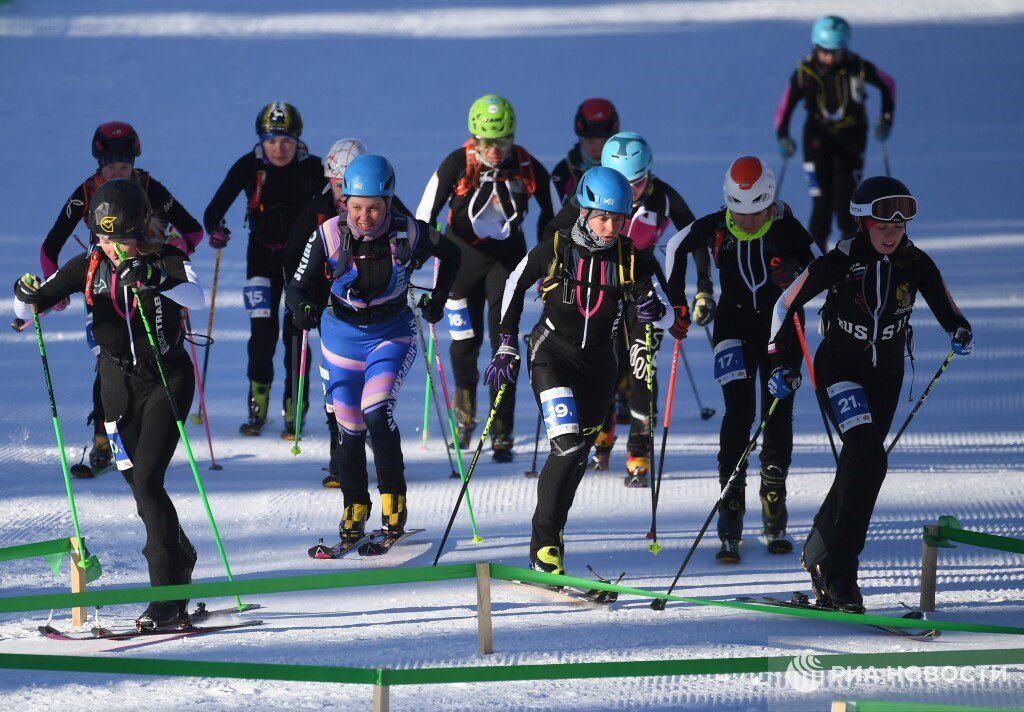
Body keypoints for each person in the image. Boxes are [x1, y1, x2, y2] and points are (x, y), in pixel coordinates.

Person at [767, 176, 973, 612]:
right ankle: (842, 576)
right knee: (868, 455)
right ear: (863, 223)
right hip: (840, 371)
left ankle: (820, 554)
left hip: (886, 378)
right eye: (883, 227)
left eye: (898, 227)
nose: (891, 234)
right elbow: (785, 304)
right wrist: (779, 362)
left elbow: (947, 308)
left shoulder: (915, 262)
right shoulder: (842, 258)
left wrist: (959, 329)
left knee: (862, 464)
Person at [15, 179, 205, 629]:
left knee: (149, 480)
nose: (111, 246)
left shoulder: (166, 258)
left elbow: (196, 296)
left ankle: (168, 596)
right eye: (103, 236)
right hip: (115, 383)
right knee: (133, 481)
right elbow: (30, 310)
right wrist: (24, 297)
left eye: (118, 237)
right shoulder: (88, 264)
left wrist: (156, 280)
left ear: (139, 228)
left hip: (165, 378)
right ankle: (179, 550)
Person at [488, 166, 666, 574]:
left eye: (618, 220)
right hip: (552, 355)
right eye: (602, 218)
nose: (609, 228)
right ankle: (543, 548)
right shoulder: (556, 247)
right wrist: (505, 342)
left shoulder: (630, 257)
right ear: (584, 212)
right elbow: (513, 285)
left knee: (578, 454)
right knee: (566, 443)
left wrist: (652, 309)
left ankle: (555, 535)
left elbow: (658, 303)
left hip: (601, 365)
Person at [286, 155, 460, 543]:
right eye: (357, 207)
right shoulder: (329, 234)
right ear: (345, 200)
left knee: (376, 412)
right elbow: (296, 285)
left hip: (391, 332)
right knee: (349, 424)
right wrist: (302, 309)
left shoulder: (408, 231)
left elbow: (451, 255)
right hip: (341, 335)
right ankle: (355, 504)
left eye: (375, 208)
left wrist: (438, 300)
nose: (365, 216)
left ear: (388, 201)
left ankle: (393, 500)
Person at [665, 156, 819, 562]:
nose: (748, 220)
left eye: (756, 213)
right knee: (738, 412)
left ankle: (773, 495)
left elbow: (824, 269)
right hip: (731, 327)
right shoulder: (717, 225)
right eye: (740, 212)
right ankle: (731, 501)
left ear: (770, 203)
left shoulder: (787, 226)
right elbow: (677, 247)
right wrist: (678, 305)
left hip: (782, 328)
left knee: (777, 408)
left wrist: (798, 279)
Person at [544, 131, 710, 482]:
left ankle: (638, 447)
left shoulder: (662, 195)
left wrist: (702, 289)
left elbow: (695, 237)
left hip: (643, 288)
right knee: (605, 365)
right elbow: (552, 233)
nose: (630, 191)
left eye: (638, 181)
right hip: (602, 288)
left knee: (642, 367)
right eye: (623, 181)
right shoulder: (597, 192)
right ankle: (602, 435)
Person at [39, 121, 203, 476]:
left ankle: (142, 432)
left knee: (148, 347)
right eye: (112, 166)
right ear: (100, 164)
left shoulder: (147, 187)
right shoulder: (87, 192)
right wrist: (55, 290)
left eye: (125, 166)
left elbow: (193, 229)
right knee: (107, 355)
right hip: (100, 280)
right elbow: (50, 245)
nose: (119, 172)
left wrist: (166, 259)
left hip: (147, 282)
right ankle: (103, 434)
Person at [416, 94, 559, 462]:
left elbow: (554, 216)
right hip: (459, 263)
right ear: (474, 138)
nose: (494, 150)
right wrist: (421, 252)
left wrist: (550, 260)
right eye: (486, 142)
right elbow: (424, 213)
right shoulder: (457, 162)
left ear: (513, 136)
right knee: (465, 344)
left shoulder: (526, 164)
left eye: (502, 141)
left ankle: (502, 429)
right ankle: (464, 419)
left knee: (503, 344)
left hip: (507, 264)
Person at [285, 138, 413, 487]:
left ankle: (379, 445)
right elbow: (292, 258)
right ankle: (339, 459)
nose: (345, 197)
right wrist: (300, 302)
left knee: (373, 395)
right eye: (338, 185)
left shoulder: (383, 205)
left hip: (379, 312)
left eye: (349, 186)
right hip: (331, 309)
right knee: (338, 392)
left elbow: (410, 239)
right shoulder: (319, 210)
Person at [204, 102, 326, 437]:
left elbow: (339, 202)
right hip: (261, 257)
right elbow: (214, 209)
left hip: (302, 262)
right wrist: (216, 230)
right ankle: (257, 406)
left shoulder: (313, 168)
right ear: (261, 139)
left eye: (286, 139)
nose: (279, 148)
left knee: (296, 334)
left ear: (297, 139)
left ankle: (294, 408)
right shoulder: (249, 165)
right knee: (262, 337)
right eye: (272, 140)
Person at [775, 15, 897, 253]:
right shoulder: (805, 72)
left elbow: (888, 85)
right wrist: (782, 135)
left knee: (846, 204)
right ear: (816, 47)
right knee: (820, 203)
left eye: (837, 52)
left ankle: (850, 256)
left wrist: (886, 119)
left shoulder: (857, 67)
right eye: (825, 51)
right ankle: (813, 260)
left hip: (851, 138)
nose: (830, 58)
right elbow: (785, 107)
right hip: (816, 139)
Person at [550, 98, 620, 204]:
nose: (597, 148)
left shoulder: (626, 170)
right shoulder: (564, 171)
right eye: (591, 142)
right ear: (581, 140)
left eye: (603, 142)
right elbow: (549, 214)